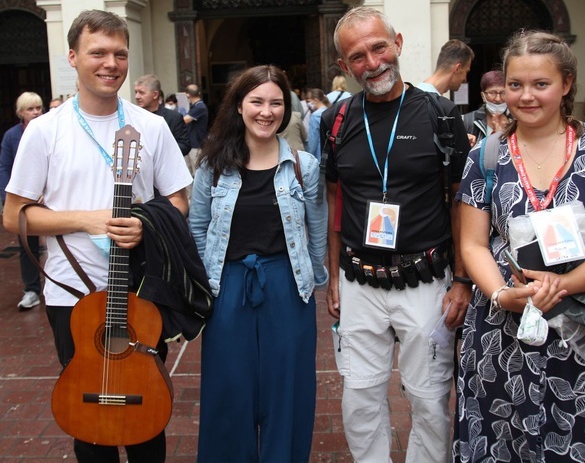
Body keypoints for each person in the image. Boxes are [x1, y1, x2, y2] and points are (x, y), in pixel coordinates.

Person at [2, 10, 190, 462]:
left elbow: (179, 202)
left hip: (140, 290)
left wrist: (145, 222)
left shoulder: (152, 126)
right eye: (98, 53)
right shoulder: (44, 131)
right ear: (73, 57)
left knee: (145, 405)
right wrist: (88, 220)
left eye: (120, 53)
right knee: (88, 412)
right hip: (72, 292)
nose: (111, 63)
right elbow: (14, 216)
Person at [456, 31, 585, 460]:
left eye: (541, 84)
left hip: (580, 326)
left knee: (577, 439)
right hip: (502, 330)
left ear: (567, 84)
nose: (526, 96)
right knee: (500, 438)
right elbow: (473, 243)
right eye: (516, 85)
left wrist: (564, 286)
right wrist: (502, 295)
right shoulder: (484, 157)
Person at [323, 7, 472, 462]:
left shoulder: (442, 115)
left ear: (398, 43)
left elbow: (460, 204)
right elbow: (335, 199)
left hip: (425, 280)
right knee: (359, 395)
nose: (372, 63)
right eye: (358, 57)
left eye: (378, 47)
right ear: (345, 68)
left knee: (428, 398)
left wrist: (463, 279)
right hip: (357, 279)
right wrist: (333, 276)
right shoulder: (338, 119)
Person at [189, 65, 327, 462]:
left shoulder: (304, 167)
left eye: (276, 102)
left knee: (287, 393)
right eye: (257, 101)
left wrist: (317, 285)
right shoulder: (212, 166)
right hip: (228, 289)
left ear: (287, 108)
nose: (266, 111)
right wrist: (204, 288)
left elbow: (315, 232)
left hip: (287, 287)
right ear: (239, 105)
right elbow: (198, 229)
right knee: (228, 392)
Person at [0, 91, 44, 311]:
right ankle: (32, 289)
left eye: (38, 108)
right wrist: (9, 199)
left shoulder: (49, 130)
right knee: (27, 245)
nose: (35, 113)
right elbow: (5, 166)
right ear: (20, 113)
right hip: (24, 198)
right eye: (30, 109)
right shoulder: (11, 136)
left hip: (48, 197)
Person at [134, 74, 191, 157]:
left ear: (155, 95)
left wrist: (161, 150)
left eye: (142, 93)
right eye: (136, 92)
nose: (137, 96)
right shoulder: (133, 117)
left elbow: (184, 146)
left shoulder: (174, 117)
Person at [462, 70, 512, 147]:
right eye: (492, 93)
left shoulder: (517, 121)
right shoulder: (467, 121)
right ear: (483, 96)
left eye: (503, 93)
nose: (498, 99)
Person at [183, 83, 209, 177]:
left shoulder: (199, 107)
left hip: (196, 145)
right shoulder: (196, 106)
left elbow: (185, 120)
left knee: (197, 173)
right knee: (189, 174)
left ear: (187, 95)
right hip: (191, 144)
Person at [305, 88, 330, 161]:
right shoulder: (330, 111)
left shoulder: (315, 116)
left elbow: (313, 139)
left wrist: (309, 156)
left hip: (319, 154)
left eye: (310, 101)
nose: (309, 104)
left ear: (315, 100)